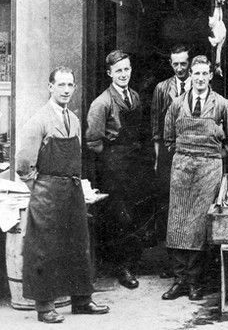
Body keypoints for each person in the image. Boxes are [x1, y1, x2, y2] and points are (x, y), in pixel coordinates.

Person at [16, 67, 109, 323]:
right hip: (46, 192)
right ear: (50, 87)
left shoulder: (75, 120)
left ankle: (82, 299)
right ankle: (45, 306)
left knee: (78, 244)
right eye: (61, 85)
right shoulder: (39, 120)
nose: (66, 90)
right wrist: (38, 187)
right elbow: (23, 164)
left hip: (72, 190)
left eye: (70, 85)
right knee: (44, 249)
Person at [162, 55, 228, 300]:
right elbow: (168, 138)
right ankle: (179, 280)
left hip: (209, 170)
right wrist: (184, 155)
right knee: (177, 222)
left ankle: (195, 281)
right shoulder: (176, 104)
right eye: (195, 73)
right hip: (182, 168)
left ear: (210, 76)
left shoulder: (222, 105)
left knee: (199, 225)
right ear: (190, 76)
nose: (199, 78)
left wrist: (221, 154)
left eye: (203, 74)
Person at [86, 50, 146, 289]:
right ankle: (122, 267)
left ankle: (133, 261)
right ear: (109, 73)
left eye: (127, 69)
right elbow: (93, 141)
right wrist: (113, 159)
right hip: (114, 167)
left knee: (135, 213)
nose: (123, 74)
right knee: (119, 216)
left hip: (134, 164)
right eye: (118, 70)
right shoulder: (102, 103)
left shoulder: (135, 97)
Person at [151, 44, 191, 278]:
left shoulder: (199, 84)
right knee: (169, 205)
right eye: (175, 64)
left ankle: (190, 263)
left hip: (190, 149)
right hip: (168, 151)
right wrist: (158, 157)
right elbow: (156, 124)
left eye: (183, 64)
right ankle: (171, 262)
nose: (179, 68)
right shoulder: (161, 88)